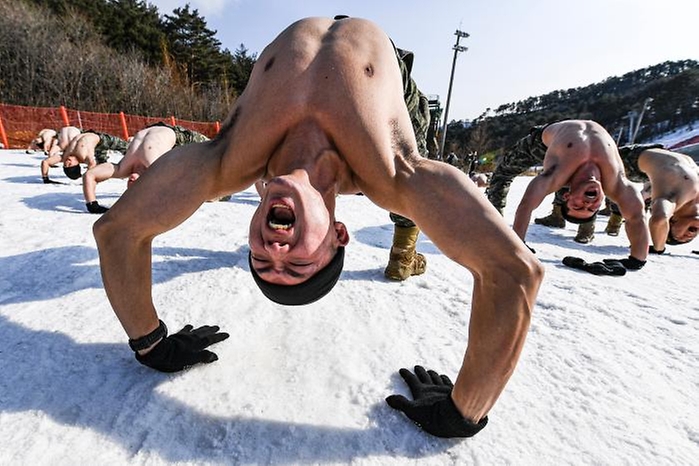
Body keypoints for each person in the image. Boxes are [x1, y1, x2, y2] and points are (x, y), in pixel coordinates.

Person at [93, 16, 543, 439]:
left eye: (261, 258)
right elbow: (515, 273)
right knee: (415, 179)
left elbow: (117, 232)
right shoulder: (395, 175)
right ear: (338, 234)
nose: (277, 249)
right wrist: (461, 413)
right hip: (388, 69)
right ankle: (406, 253)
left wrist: (152, 344)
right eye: (298, 262)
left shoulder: (222, 165)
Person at [486, 120, 650, 266]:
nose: (587, 204)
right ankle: (581, 225)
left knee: (503, 173)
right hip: (570, 139)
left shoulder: (555, 175)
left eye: (578, 206)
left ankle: (493, 225)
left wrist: (518, 245)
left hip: (543, 141)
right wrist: (637, 259)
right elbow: (636, 216)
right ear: (601, 202)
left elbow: (526, 206)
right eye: (592, 209)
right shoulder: (616, 183)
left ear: (567, 196)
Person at [81, 122, 209, 213]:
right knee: (212, 149)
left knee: (215, 147)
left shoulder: (123, 168)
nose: (131, 182)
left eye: (129, 187)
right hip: (173, 135)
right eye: (136, 188)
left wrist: (92, 205)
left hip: (152, 129)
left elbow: (90, 175)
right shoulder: (157, 169)